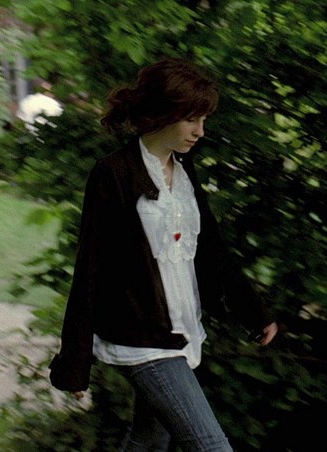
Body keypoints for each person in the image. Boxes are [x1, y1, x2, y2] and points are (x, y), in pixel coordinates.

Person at [48, 58, 278, 451]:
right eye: (191, 119)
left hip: (182, 329)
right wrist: (75, 360)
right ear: (163, 113)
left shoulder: (185, 174)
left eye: (203, 120)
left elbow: (212, 251)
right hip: (142, 338)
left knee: (149, 440)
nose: (200, 131)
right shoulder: (114, 173)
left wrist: (253, 312)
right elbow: (91, 268)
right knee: (211, 446)